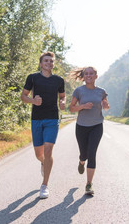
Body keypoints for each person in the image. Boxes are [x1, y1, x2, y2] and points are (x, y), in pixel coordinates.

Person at [21, 51, 66, 199]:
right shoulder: (32, 78)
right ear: (41, 64)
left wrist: (62, 102)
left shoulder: (59, 80)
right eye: (46, 61)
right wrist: (33, 101)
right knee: (39, 154)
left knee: (48, 151)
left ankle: (44, 185)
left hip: (52, 119)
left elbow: (62, 96)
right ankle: (44, 164)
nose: (49, 63)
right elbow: (23, 96)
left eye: (51, 61)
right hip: (37, 119)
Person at [69, 66, 109, 195]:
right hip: (81, 126)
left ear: (96, 76)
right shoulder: (79, 91)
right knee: (84, 154)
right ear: (84, 76)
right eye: (86, 74)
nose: (89, 76)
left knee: (92, 153)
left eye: (91, 74)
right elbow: (71, 108)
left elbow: (106, 106)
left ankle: (89, 184)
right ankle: (81, 161)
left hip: (97, 125)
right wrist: (83, 106)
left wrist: (106, 106)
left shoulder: (101, 91)